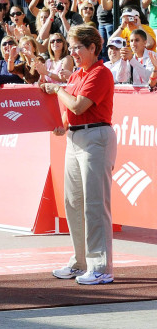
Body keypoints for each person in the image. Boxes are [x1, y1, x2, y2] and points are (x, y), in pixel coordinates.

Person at [41, 25, 115, 285]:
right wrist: (60, 125)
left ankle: (101, 266)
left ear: (93, 48)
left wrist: (56, 88)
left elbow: (79, 105)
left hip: (96, 138)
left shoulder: (101, 74)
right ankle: (80, 261)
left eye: (77, 48)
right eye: (71, 47)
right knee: (73, 203)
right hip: (75, 137)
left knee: (95, 203)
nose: (72, 52)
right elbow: (69, 112)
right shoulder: (76, 76)